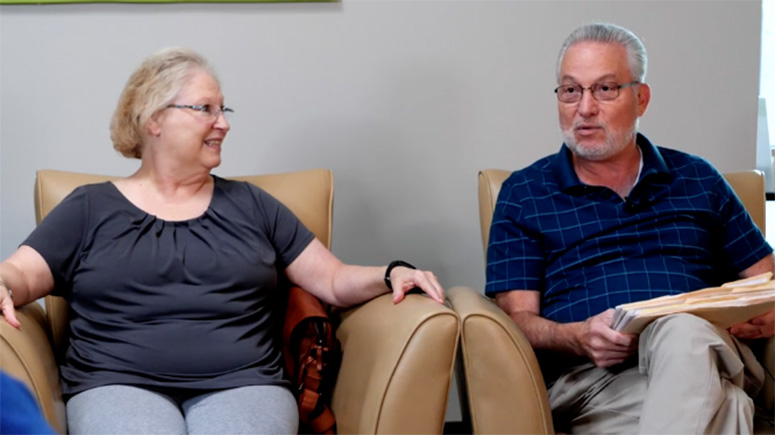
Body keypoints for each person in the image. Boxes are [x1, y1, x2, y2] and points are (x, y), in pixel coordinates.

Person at [0, 47, 445, 434]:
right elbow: (21, 273)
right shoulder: (89, 208)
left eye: (223, 110)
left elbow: (332, 279)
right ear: (154, 118)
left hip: (244, 384)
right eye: (206, 109)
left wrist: (391, 273)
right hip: (117, 382)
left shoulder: (252, 204)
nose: (223, 124)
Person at [485, 22, 774, 434]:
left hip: (711, 352)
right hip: (593, 382)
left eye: (604, 89)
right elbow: (517, 319)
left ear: (641, 98)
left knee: (683, 332)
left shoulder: (696, 179)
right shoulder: (525, 194)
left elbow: (767, 280)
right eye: (571, 90)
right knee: (727, 407)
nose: (584, 108)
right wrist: (577, 336)